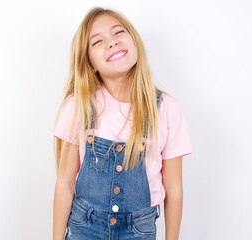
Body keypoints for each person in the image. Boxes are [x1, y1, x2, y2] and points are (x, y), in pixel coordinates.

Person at [52, 6, 192, 240]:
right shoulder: (78, 107)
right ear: (90, 64)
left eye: (118, 32)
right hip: (84, 228)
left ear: (134, 41)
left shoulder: (166, 110)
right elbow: (65, 183)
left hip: (139, 231)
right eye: (97, 42)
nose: (112, 42)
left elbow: (174, 188)